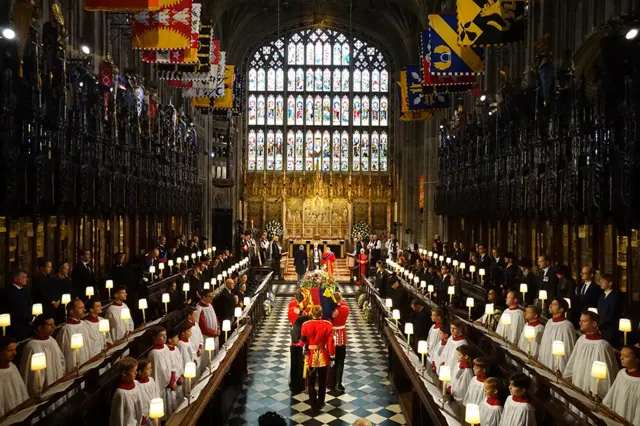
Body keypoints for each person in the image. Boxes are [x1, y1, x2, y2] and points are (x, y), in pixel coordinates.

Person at [563, 310, 618, 399]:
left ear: (594, 324)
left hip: (591, 391)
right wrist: (568, 377)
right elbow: (573, 360)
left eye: (584, 321)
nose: (580, 323)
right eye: (580, 320)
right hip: (577, 382)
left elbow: (606, 374)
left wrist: (598, 393)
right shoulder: (581, 339)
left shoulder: (602, 346)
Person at [19, 314, 65, 397]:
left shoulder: (52, 341)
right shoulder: (32, 346)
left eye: (53, 324)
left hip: (56, 381)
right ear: (40, 327)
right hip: (42, 389)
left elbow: (61, 360)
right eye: (50, 324)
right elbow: (30, 374)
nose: (54, 327)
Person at [300, 305, 335, 411]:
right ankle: (320, 403)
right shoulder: (328, 324)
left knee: (310, 382)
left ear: (311, 313)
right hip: (323, 355)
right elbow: (331, 342)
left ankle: (313, 404)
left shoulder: (305, 325)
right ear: (321, 314)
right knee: (323, 381)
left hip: (310, 356)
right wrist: (332, 356)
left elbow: (302, 342)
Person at [603, 346, 640, 425]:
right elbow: (612, 393)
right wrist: (605, 408)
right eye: (621, 355)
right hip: (617, 413)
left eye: (626, 356)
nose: (621, 358)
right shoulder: (621, 373)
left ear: (637, 360)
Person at [538, 298, 576, 372]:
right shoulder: (549, 322)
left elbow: (568, 349)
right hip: (545, 360)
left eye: (554, 304)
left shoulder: (566, 326)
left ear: (561, 309)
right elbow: (544, 343)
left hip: (557, 365)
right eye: (551, 304)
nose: (550, 306)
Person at [148, 327, 177, 418]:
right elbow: (159, 373)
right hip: (162, 387)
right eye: (161, 335)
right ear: (154, 337)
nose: (164, 337)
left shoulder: (165, 347)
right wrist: (170, 382)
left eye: (165, 335)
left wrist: (172, 378)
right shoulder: (154, 353)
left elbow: (171, 364)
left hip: (169, 383)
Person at [56, 299, 92, 373]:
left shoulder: (84, 324)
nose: (84, 310)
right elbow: (63, 351)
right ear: (71, 311)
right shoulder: (66, 329)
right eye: (80, 308)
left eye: (84, 307)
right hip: (73, 367)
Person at [110, 356, 144, 426]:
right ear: (124, 373)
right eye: (132, 371)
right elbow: (119, 417)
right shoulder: (121, 393)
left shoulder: (136, 384)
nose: (136, 373)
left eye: (136, 370)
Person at [0, 336, 28, 417]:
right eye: (10, 350)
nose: (15, 353)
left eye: (15, 349)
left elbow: (21, 392)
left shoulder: (12, 367)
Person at [2, 269, 32, 341]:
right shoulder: (8, 291)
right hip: (15, 325)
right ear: (15, 279)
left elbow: (29, 304)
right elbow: (13, 308)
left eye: (26, 277)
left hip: (27, 323)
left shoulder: (25, 290)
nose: (26, 279)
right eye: (23, 277)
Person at [329, 292, 349, 392]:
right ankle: (338, 383)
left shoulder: (330, 311)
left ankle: (330, 382)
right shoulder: (345, 309)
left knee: (330, 360)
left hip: (331, 337)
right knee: (340, 361)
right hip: (341, 337)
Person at [597, 273, 622, 345]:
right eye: (600, 281)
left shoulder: (615, 297)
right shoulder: (602, 296)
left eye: (603, 281)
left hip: (610, 330)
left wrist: (600, 324)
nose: (600, 283)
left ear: (610, 283)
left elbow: (612, 314)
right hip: (600, 328)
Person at [165, 329, 184, 415]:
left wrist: (180, 376)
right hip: (171, 383)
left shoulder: (176, 348)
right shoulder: (166, 351)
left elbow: (179, 363)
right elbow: (169, 368)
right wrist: (172, 381)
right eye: (176, 337)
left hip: (178, 380)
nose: (178, 339)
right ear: (169, 339)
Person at [184, 306, 204, 373]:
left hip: (198, 352)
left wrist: (200, 348)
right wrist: (194, 355)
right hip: (192, 355)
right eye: (195, 314)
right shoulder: (187, 328)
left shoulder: (195, 324)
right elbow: (189, 343)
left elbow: (200, 336)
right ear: (189, 316)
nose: (196, 316)